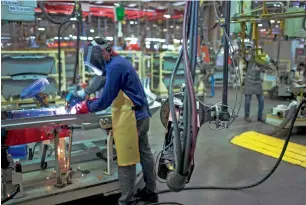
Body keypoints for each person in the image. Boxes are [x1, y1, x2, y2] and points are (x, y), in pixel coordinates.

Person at [71, 38, 158, 205]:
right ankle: (151, 191)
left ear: (103, 53)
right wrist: (86, 92)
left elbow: (104, 100)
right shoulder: (116, 62)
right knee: (144, 153)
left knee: (126, 158)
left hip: (133, 118)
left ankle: (126, 200)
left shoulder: (116, 66)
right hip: (141, 114)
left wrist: (86, 105)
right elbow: (102, 78)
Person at [244, 50, 268, 123]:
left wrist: (264, 65)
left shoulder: (261, 60)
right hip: (249, 82)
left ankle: (260, 116)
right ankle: (247, 116)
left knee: (261, 100)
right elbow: (246, 57)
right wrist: (249, 52)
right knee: (247, 101)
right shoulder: (249, 59)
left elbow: (265, 68)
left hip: (257, 82)